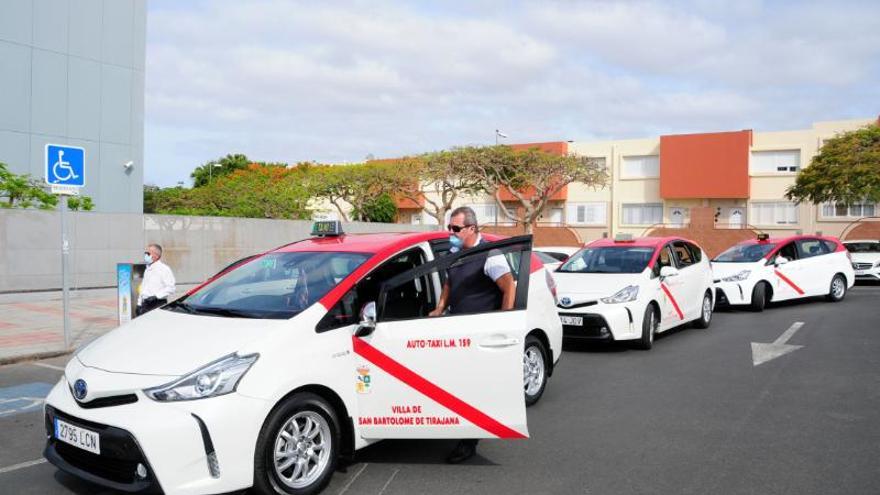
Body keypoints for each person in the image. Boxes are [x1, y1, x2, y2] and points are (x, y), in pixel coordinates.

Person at [428, 206, 516, 464]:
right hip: (458, 329)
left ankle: (469, 443)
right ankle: (460, 429)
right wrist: (440, 307)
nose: (451, 233)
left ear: (472, 229)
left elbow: (508, 286)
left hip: (480, 332)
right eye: (449, 228)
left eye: (455, 229)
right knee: (457, 384)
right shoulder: (456, 254)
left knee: (473, 389)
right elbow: (448, 282)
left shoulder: (490, 255)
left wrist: (503, 322)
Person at [137, 243, 176, 316]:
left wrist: (156, 296)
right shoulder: (147, 269)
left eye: (148, 253)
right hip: (145, 304)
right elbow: (143, 287)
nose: (145, 255)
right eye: (145, 253)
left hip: (157, 304)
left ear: (156, 256)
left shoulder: (164, 269)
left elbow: (171, 288)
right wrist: (139, 304)